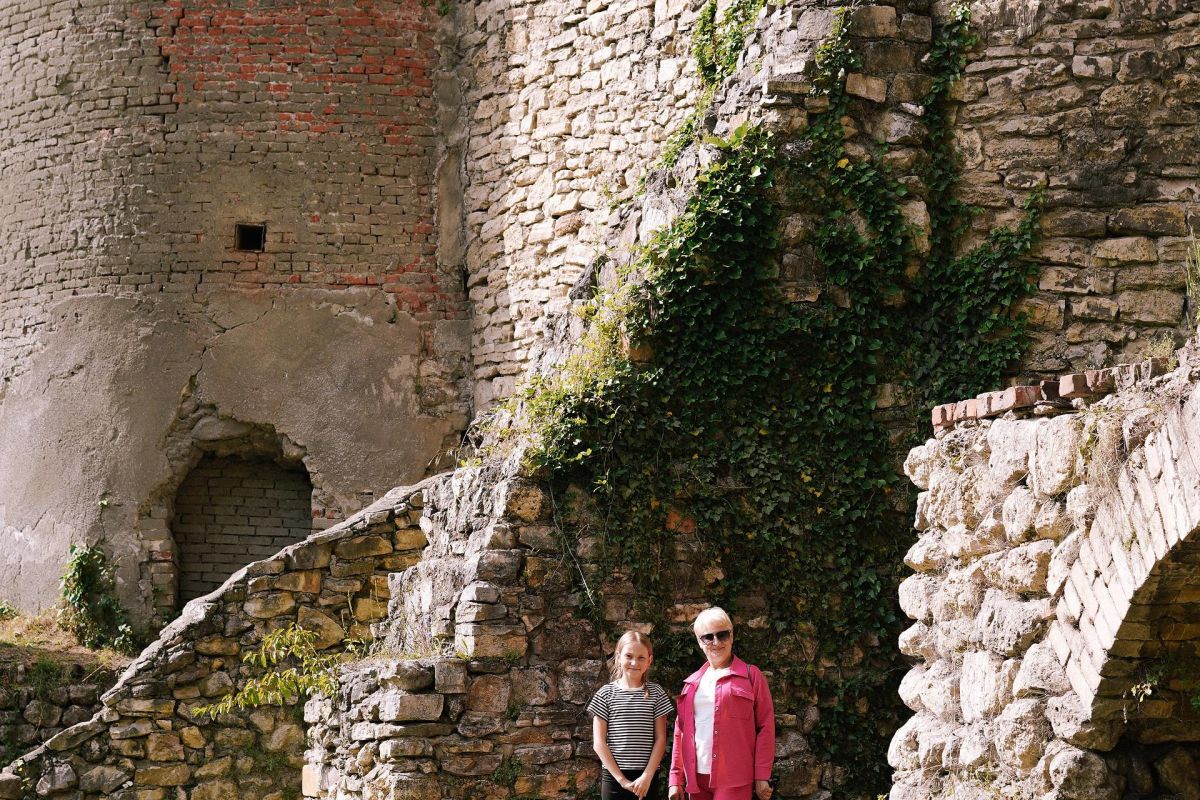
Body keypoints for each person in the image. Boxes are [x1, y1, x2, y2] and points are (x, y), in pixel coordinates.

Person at [668, 607, 775, 800]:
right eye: (708, 637)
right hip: (696, 780)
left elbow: (766, 727)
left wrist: (761, 775)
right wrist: (676, 779)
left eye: (722, 635)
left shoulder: (752, 676)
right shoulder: (691, 684)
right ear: (700, 643)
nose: (716, 642)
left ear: (732, 636)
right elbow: (680, 732)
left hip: (734, 778)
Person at [588, 631, 675, 800]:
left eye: (641, 657)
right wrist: (621, 780)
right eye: (629, 656)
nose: (634, 662)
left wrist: (647, 776)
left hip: (647, 778)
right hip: (614, 779)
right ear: (619, 657)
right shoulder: (605, 694)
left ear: (649, 660)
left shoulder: (656, 693)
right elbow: (599, 743)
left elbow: (661, 739)